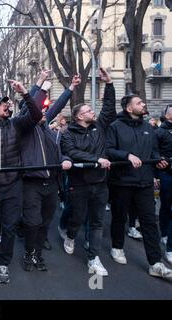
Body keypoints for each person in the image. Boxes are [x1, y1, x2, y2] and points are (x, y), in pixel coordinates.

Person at [0, 80, 42, 284]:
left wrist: (25, 92)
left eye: (7, 103)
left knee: (10, 226)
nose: (7, 105)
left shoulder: (16, 123)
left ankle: (3, 263)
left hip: (14, 184)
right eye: (3, 103)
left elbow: (36, 115)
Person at [19, 73, 80, 271]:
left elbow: (57, 107)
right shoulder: (24, 128)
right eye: (38, 111)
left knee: (45, 222)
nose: (43, 114)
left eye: (45, 111)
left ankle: (38, 254)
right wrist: (37, 85)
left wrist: (71, 87)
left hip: (51, 184)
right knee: (32, 221)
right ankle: (29, 253)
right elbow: (28, 106)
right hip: (31, 183)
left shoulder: (49, 131)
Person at [106, 95, 172, 280]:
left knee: (149, 222)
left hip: (144, 181)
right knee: (119, 217)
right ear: (129, 108)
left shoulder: (148, 127)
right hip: (122, 182)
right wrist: (127, 155)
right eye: (139, 103)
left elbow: (153, 150)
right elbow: (109, 150)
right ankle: (117, 247)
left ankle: (155, 263)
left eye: (143, 102)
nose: (143, 104)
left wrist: (158, 161)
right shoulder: (115, 127)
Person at [60, 67, 116, 276]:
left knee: (97, 221)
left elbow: (109, 109)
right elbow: (72, 152)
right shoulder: (68, 134)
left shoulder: (98, 127)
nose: (94, 112)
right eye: (89, 111)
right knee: (77, 218)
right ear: (79, 116)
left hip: (100, 184)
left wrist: (109, 83)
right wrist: (96, 159)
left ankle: (93, 258)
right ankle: (71, 235)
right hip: (79, 184)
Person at [155, 104, 172, 264]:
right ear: (167, 115)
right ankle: (165, 234)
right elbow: (154, 152)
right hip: (166, 175)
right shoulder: (160, 132)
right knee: (166, 206)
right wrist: (156, 174)